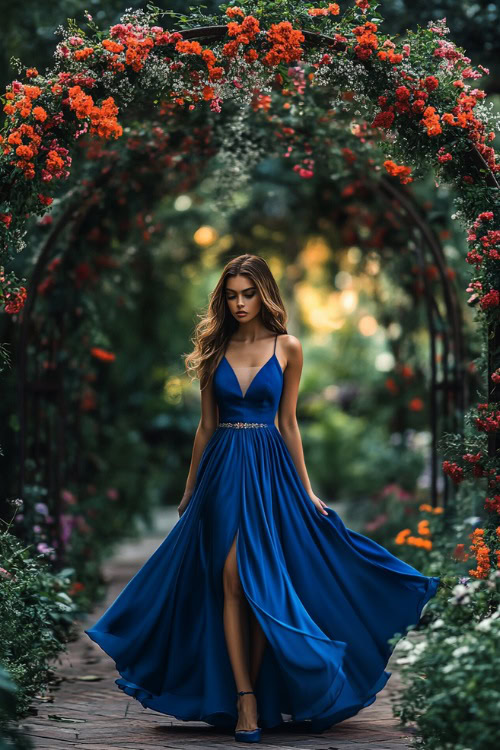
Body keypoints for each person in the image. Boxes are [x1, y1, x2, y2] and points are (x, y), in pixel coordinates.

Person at [84, 253, 440, 744]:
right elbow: (206, 426)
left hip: (270, 469)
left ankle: (250, 696)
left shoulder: (288, 348)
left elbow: (288, 424)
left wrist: (307, 487)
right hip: (223, 471)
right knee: (230, 577)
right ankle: (245, 698)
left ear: (264, 293)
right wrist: (190, 489)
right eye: (231, 295)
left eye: (248, 293)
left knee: (255, 582)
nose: (239, 303)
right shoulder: (214, 350)